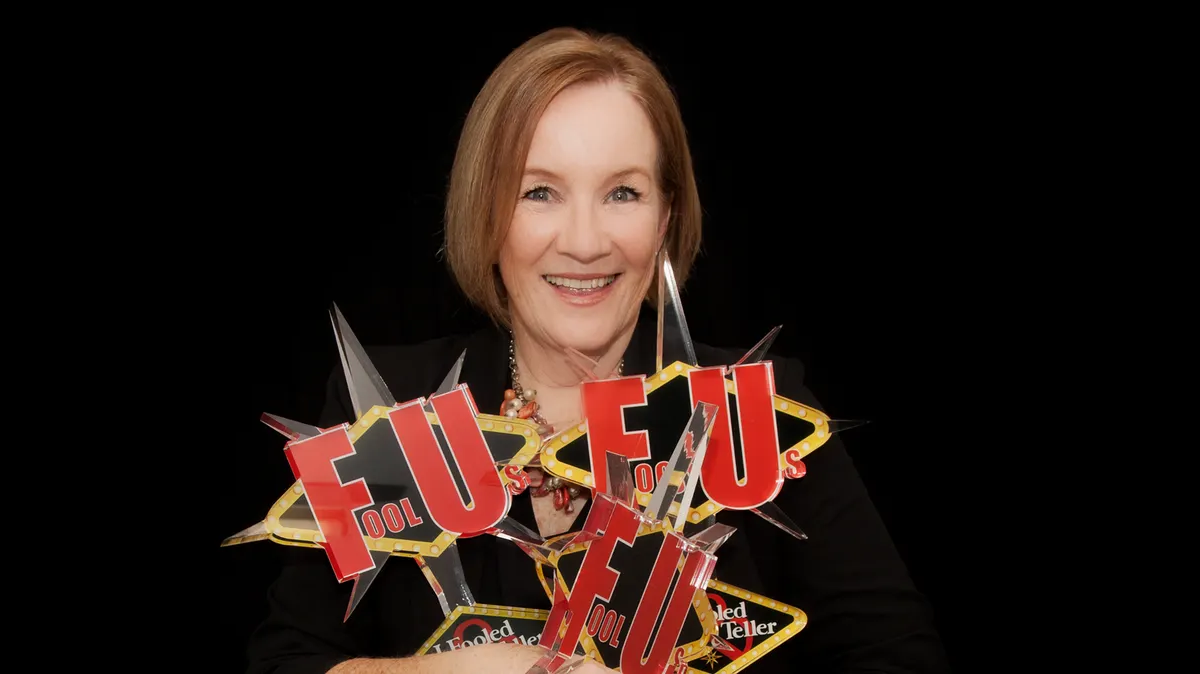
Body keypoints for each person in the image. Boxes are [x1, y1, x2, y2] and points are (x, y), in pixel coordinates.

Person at [245, 27, 947, 674]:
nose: (585, 241)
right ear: (486, 212)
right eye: (540, 191)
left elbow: (899, 656)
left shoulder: (755, 409)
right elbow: (286, 659)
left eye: (622, 192)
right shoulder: (392, 405)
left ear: (666, 216)